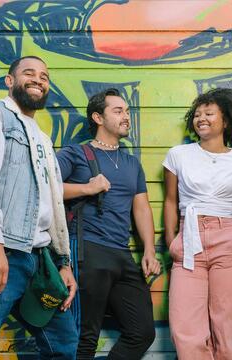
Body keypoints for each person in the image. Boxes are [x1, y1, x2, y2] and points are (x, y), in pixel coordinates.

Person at [0, 56, 78, 360]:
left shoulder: (43, 139)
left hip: (39, 260)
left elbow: (53, 202)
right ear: (10, 81)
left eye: (44, 77)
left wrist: (63, 262)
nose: (38, 80)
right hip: (3, 252)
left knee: (63, 344)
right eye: (29, 73)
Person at [57, 88, 161, 360]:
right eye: (118, 111)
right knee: (85, 336)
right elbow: (45, 186)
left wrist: (149, 250)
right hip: (87, 250)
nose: (126, 116)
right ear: (98, 117)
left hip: (121, 254)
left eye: (127, 111)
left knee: (142, 332)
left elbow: (141, 207)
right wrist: (86, 188)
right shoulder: (76, 153)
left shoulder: (131, 162)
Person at [163, 88, 232, 359]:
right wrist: (173, 240)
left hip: (226, 241)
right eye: (197, 114)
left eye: (209, 113)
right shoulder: (178, 155)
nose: (201, 118)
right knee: (185, 330)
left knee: (225, 329)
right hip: (188, 240)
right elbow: (171, 202)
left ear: (226, 120)